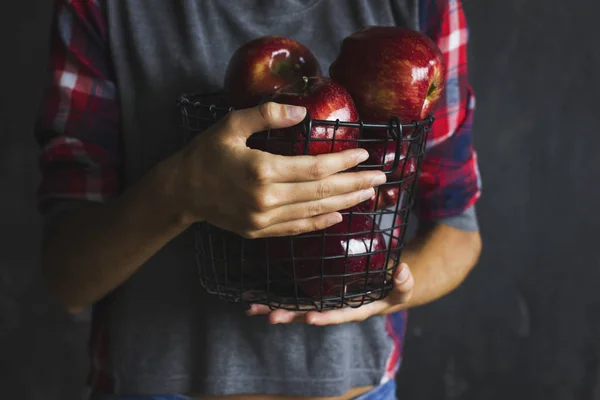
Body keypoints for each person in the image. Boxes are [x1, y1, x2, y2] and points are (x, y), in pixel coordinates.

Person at [34, 0, 482, 399]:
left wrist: (387, 292)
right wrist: (179, 194)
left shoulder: (426, 8)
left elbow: (458, 231)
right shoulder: (102, 8)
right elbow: (67, 276)